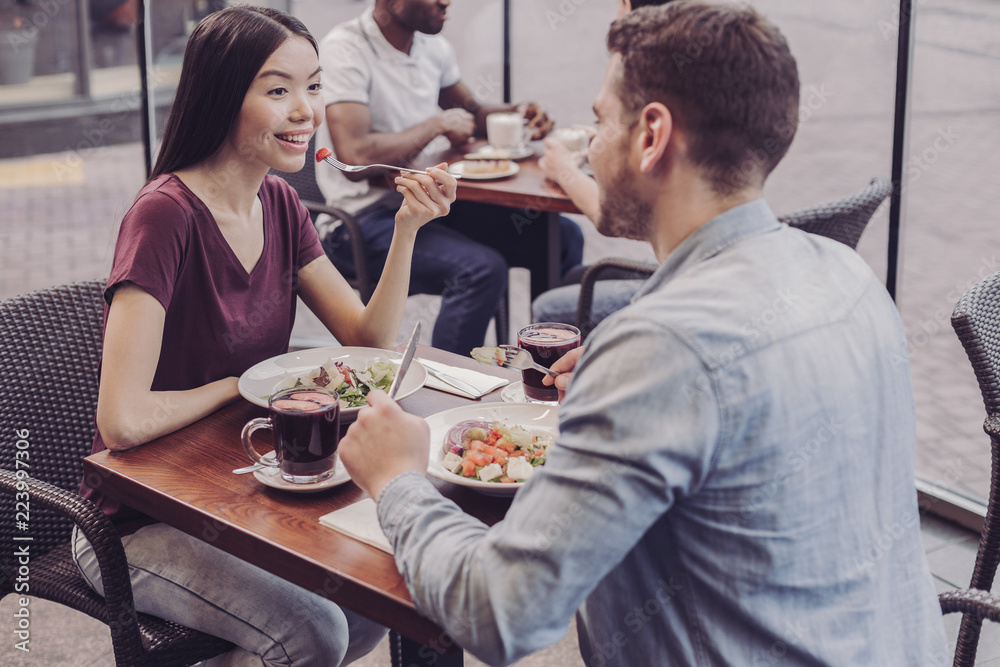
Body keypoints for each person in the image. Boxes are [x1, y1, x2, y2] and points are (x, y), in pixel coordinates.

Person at [338, 3, 949, 665]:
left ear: (652, 134)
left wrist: (397, 478)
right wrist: (617, 382)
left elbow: (499, 613)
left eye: (599, 121)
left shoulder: (665, 347)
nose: (591, 146)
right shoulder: (850, 277)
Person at [74, 6, 456, 666]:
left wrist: (406, 228)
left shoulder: (279, 204)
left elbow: (367, 335)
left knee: (383, 596)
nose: (306, 110)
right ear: (224, 96)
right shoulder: (164, 215)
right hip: (138, 521)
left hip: (240, 489)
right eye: (278, 90)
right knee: (318, 629)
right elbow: (123, 418)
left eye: (312, 86)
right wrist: (230, 386)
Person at [316, 0, 585, 354]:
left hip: (429, 203)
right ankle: (452, 392)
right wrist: (436, 124)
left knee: (561, 237)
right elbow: (354, 156)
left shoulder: (433, 48)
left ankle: (549, 371)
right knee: (480, 271)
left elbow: (473, 114)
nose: (447, 1)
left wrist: (519, 114)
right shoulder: (345, 48)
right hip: (360, 219)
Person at [532, 0, 675, 331]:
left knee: (547, 307)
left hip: (670, 279)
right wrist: (614, 138)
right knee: (570, 276)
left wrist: (565, 170)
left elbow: (615, 217)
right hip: (685, 267)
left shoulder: (642, 64)